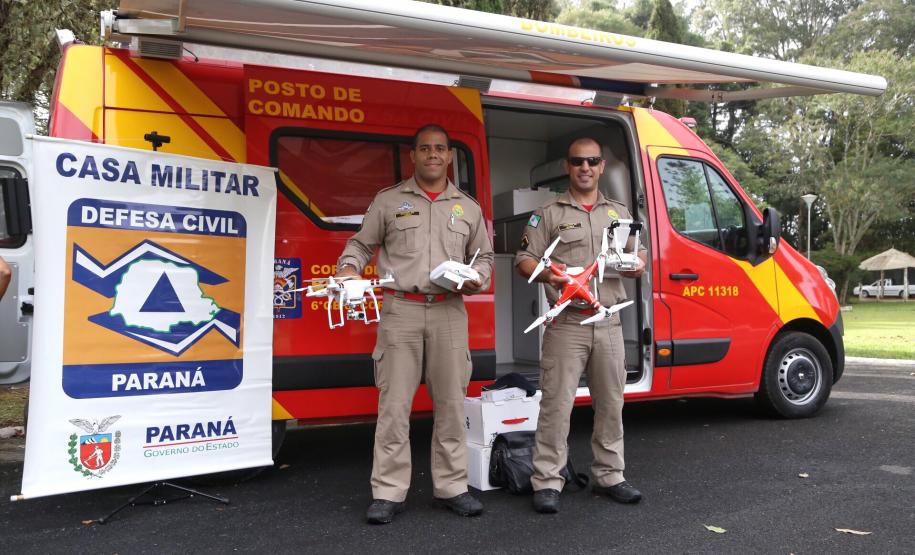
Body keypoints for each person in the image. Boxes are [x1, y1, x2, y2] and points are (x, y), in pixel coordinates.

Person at [335, 124, 494, 524]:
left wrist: (478, 277)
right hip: (400, 310)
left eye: (440, 148)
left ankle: (452, 487)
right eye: (425, 149)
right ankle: (388, 492)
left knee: (452, 406)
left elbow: (485, 258)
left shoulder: (468, 207)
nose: (432, 155)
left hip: (449, 311)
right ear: (414, 156)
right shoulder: (389, 201)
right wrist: (349, 269)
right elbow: (360, 244)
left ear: (449, 156)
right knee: (394, 407)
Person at [515, 137, 647, 514]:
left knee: (611, 404)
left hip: (608, 321)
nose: (585, 167)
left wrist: (638, 264)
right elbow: (524, 259)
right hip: (567, 322)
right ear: (567, 167)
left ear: (602, 166)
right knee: (556, 405)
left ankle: (610, 476)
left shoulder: (619, 212)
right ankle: (547, 480)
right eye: (577, 161)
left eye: (592, 161)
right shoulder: (548, 213)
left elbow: (638, 254)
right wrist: (550, 274)